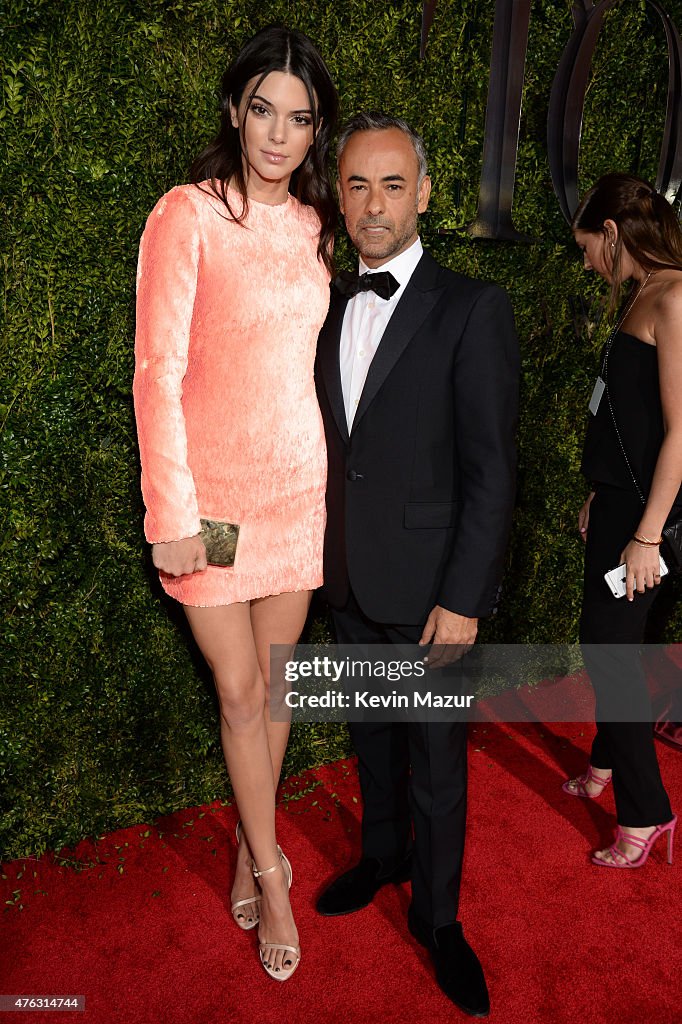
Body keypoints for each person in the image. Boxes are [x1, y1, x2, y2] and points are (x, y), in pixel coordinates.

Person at [133, 25, 338, 981]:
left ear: (315, 133)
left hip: (297, 493)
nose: (277, 133)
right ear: (234, 109)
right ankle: (272, 866)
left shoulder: (316, 227)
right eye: (263, 108)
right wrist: (169, 513)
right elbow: (157, 372)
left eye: (298, 118)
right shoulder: (187, 213)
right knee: (240, 691)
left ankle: (251, 836)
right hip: (211, 505)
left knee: (281, 688)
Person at [314, 112, 519, 1017]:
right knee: (372, 738)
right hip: (350, 578)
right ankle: (381, 854)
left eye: (393, 184)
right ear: (338, 193)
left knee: (439, 761)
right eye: (357, 184)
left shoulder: (472, 306)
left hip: (436, 594)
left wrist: (466, 600)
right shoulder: (323, 304)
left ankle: (440, 922)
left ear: (426, 195)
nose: (373, 203)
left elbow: (492, 470)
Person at [567, 172, 681, 867]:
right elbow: (625, 416)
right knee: (613, 646)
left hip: (646, 524)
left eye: (587, 247)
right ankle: (605, 764)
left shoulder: (674, 298)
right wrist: (601, 490)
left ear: (612, 234)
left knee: (609, 654)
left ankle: (645, 812)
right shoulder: (645, 292)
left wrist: (644, 535)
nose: (585, 262)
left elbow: (680, 434)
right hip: (618, 507)